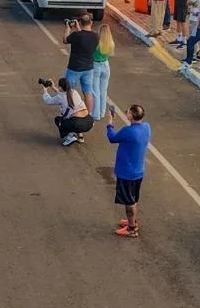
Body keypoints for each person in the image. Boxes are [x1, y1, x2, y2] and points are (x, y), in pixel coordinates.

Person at [106, 104, 151, 239]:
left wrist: (110, 123)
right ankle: (132, 220)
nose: (126, 112)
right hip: (138, 171)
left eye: (128, 112)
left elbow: (112, 138)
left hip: (127, 173)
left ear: (131, 116)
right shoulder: (146, 127)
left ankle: (132, 228)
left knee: (129, 202)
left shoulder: (128, 131)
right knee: (133, 198)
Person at [63, 14, 98, 118]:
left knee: (69, 91)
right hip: (89, 68)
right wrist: (78, 28)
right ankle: (88, 115)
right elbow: (84, 36)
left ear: (80, 23)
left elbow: (65, 39)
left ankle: (70, 113)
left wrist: (68, 28)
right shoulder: (95, 36)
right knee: (88, 92)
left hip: (74, 68)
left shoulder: (76, 36)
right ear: (91, 23)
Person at [41, 77, 93, 146]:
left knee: (58, 120)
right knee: (76, 117)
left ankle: (70, 137)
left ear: (60, 87)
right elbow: (64, 95)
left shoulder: (60, 97)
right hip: (89, 122)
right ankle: (80, 137)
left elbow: (48, 100)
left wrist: (45, 90)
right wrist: (53, 87)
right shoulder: (74, 92)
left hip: (77, 124)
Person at [90, 22, 115, 121]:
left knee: (95, 90)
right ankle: (102, 112)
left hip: (96, 65)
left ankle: (96, 114)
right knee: (103, 91)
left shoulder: (96, 44)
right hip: (106, 65)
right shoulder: (111, 43)